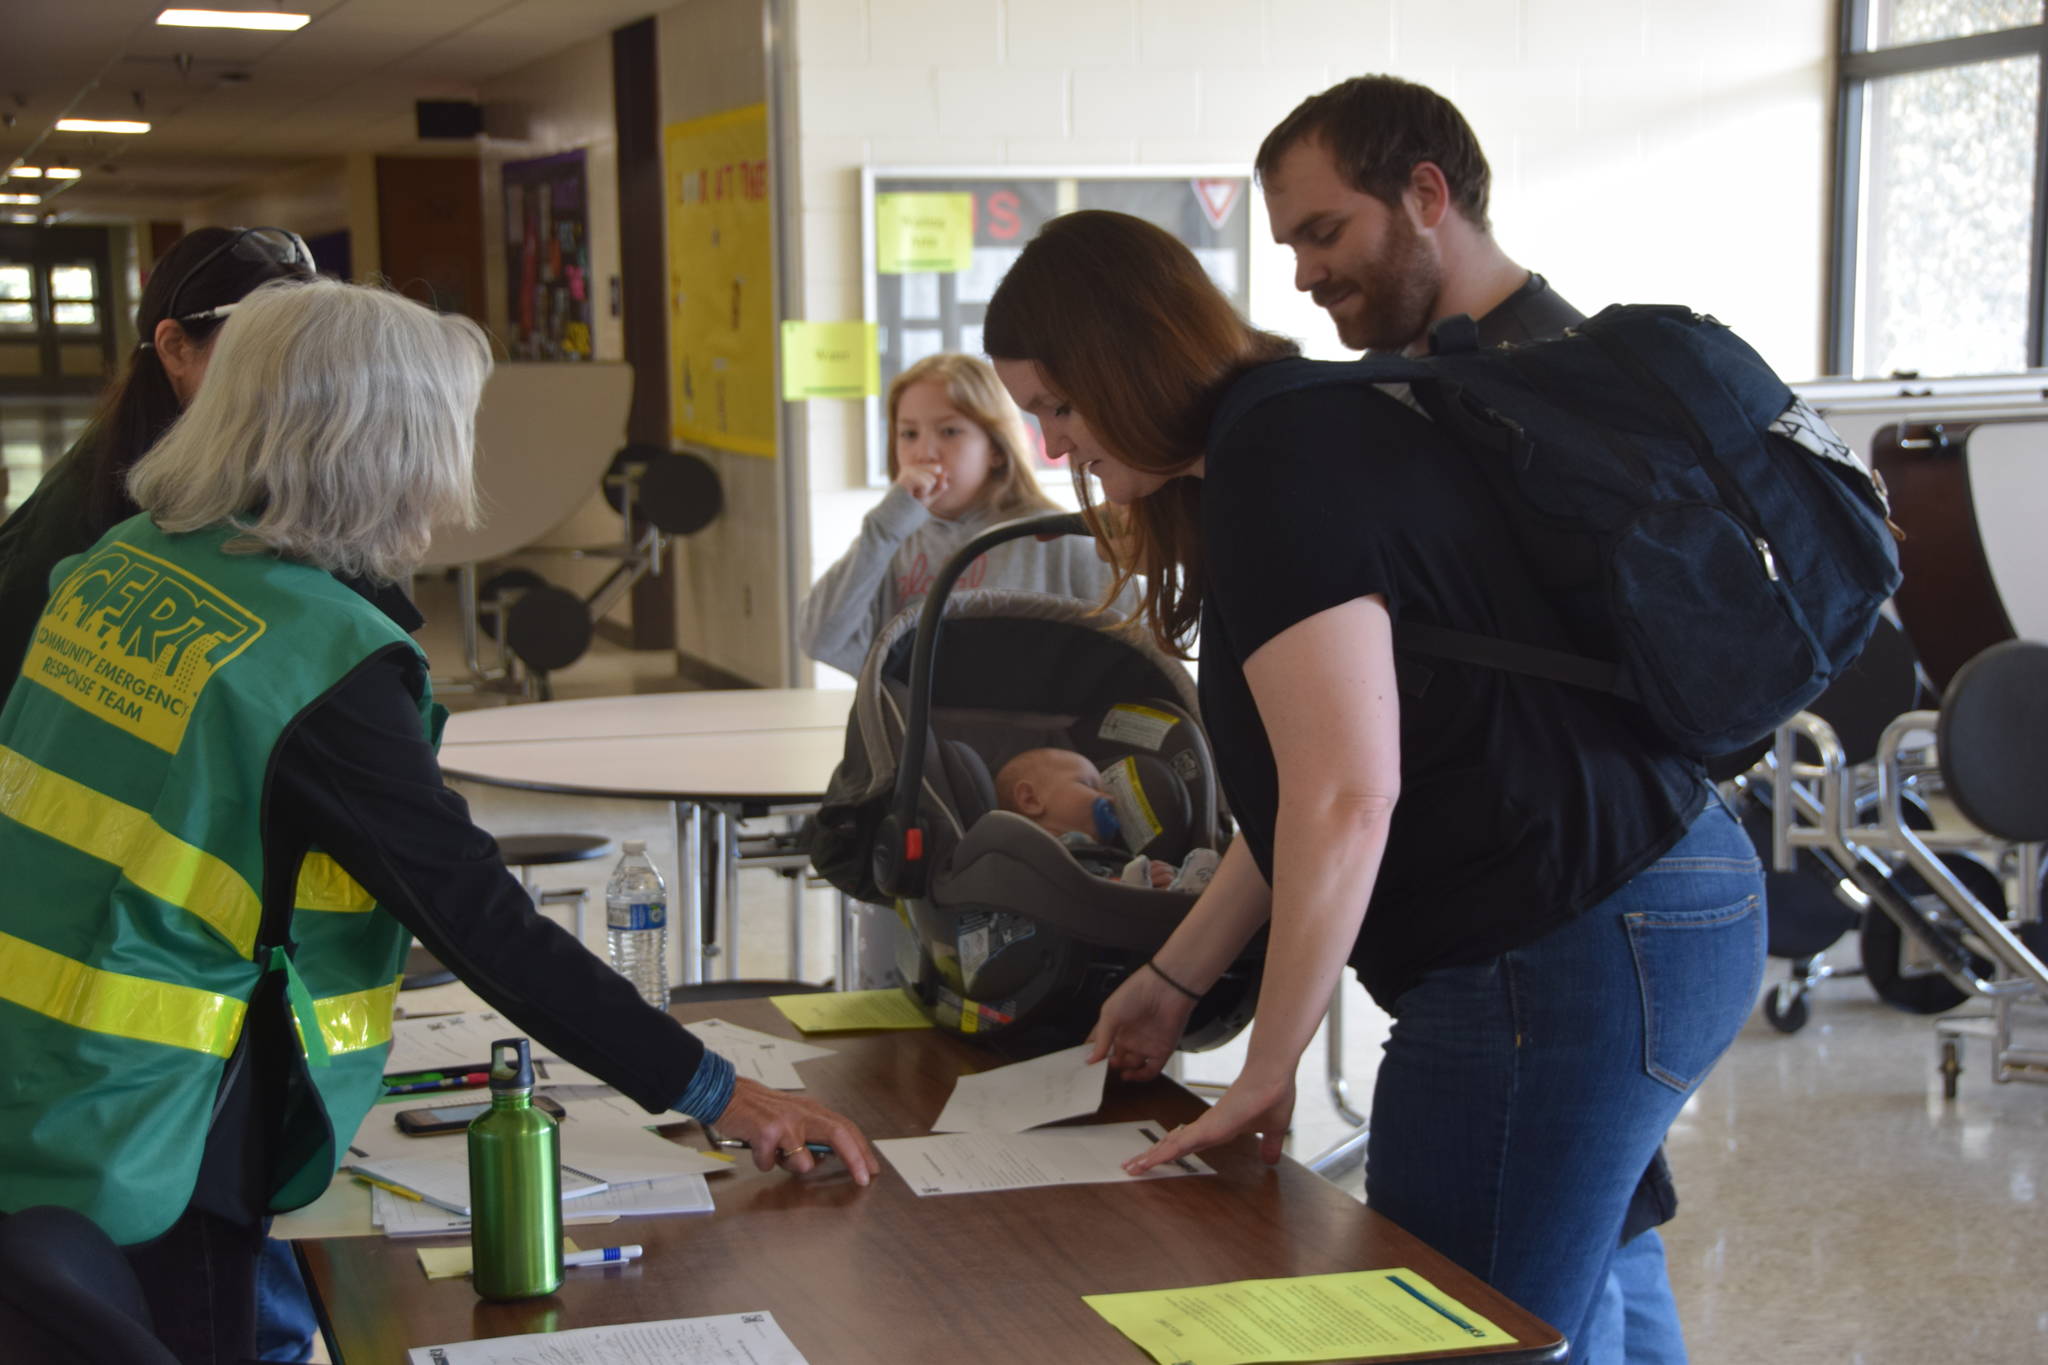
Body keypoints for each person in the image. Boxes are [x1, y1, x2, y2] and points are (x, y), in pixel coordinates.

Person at [0, 278, 879, 1365]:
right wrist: (716, 1092)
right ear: (385, 448)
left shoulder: (117, 565)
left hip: (36, 1071)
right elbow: (476, 916)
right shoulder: (312, 660)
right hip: (157, 1127)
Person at [983, 210, 1762, 1365]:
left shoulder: (1279, 460)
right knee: (1568, 1293)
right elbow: (1301, 791)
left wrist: (1268, 1061)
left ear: (1125, 358)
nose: (1054, 449)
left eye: (1058, 406)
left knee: (1434, 1336)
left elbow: (1349, 797)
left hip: (1567, 939)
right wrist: (1172, 974)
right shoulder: (1294, 427)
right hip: (1648, 900)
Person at [1256, 74, 1689, 1358]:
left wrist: (1270, 1061)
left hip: (1571, 912)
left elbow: (1366, 762)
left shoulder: (1486, 405)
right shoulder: (1537, 374)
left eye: (1322, 234)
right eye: (1287, 246)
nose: (1301, 277)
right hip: (1642, 888)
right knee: (1607, 1238)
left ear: (1425, 196)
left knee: (1473, 1316)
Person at [0, 226, 318, 709]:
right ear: (175, 348)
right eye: (261, 343)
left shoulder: (262, 461)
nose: (297, 370)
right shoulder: (92, 507)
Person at [797, 352, 1134, 676]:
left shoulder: (1055, 536)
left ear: (997, 450)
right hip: (913, 733)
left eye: (949, 432)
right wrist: (884, 529)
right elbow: (819, 639)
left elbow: (1137, 642)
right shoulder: (892, 539)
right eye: (908, 434)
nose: (924, 452)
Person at [994, 746, 1218, 892]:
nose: (1110, 798)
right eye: (1088, 785)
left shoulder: (1110, 856)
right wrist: (1122, 888)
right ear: (1031, 800)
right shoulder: (1023, 855)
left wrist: (1161, 883)